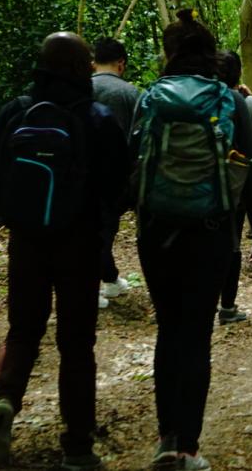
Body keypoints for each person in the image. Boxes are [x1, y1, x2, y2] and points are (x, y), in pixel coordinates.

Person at [0, 32, 129, 471]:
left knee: (23, 330)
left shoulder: (16, 112)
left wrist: (15, 215)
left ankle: (4, 401)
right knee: (76, 343)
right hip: (79, 242)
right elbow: (119, 183)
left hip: (26, 240)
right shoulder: (96, 117)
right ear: (84, 68)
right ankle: (78, 446)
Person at [134, 10, 252, 470]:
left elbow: (131, 164)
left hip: (156, 231)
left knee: (168, 331)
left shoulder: (150, 98)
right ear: (210, 53)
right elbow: (248, 167)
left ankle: (165, 439)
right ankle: (189, 448)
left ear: (170, 52)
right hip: (210, 232)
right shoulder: (227, 100)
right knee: (196, 335)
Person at [215, 50, 252, 325]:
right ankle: (227, 306)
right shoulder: (245, 101)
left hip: (205, 184)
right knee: (232, 242)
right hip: (236, 182)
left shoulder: (204, 99)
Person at [90, 37, 139, 309]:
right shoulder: (131, 94)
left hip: (79, 173)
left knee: (93, 230)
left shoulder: (79, 88)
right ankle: (92, 285)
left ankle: (109, 279)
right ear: (121, 64)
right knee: (104, 231)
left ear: (94, 61)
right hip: (116, 176)